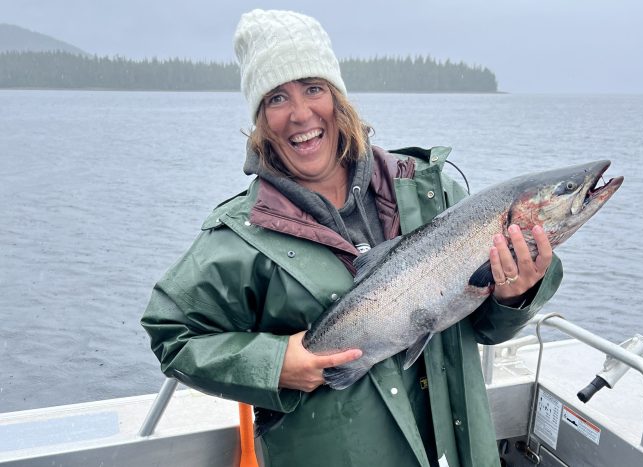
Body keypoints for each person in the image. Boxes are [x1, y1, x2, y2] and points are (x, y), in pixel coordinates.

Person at [141, 8, 563, 467]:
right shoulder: (241, 237)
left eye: (313, 88)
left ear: (338, 98)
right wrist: (275, 363)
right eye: (277, 98)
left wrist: (513, 296)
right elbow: (172, 335)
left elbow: (483, 327)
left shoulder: (432, 192)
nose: (301, 114)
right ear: (259, 120)